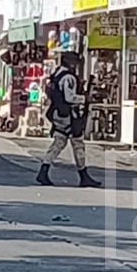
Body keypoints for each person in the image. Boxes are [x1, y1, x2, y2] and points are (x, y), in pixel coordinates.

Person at [36, 50, 102, 188]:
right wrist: (85, 98)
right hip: (68, 114)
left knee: (59, 142)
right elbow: (69, 97)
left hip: (58, 113)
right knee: (77, 143)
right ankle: (83, 175)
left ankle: (45, 169)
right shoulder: (68, 78)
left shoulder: (57, 74)